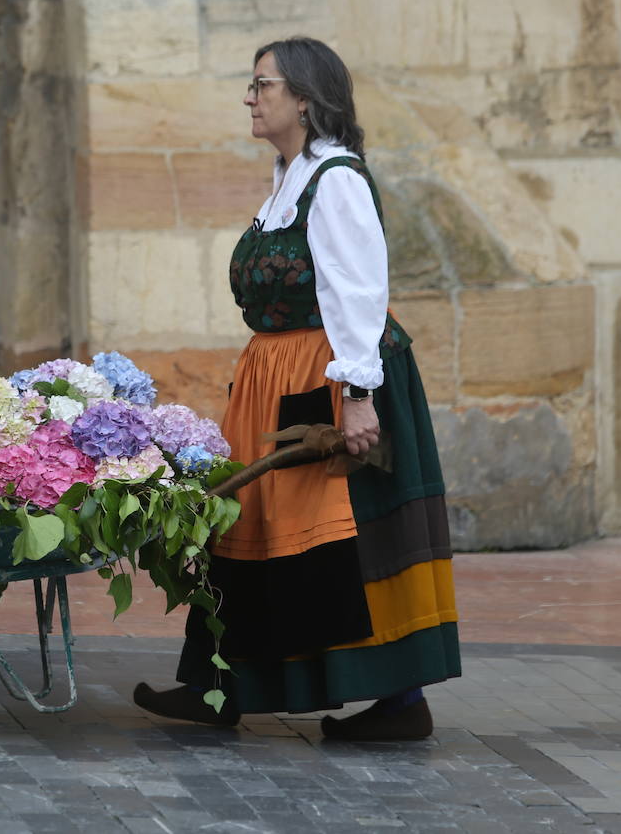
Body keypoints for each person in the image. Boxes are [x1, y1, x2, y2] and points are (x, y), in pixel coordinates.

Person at [133, 36, 460, 740]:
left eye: (263, 86)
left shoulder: (335, 178)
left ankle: (399, 703)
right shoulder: (287, 176)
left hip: (330, 375)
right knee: (254, 531)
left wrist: (358, 394)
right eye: (251, 87)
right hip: (278, 377)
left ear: (305, 99)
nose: (251, 99)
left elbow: (357, 291)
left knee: (339, 542)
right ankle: (222, 687)